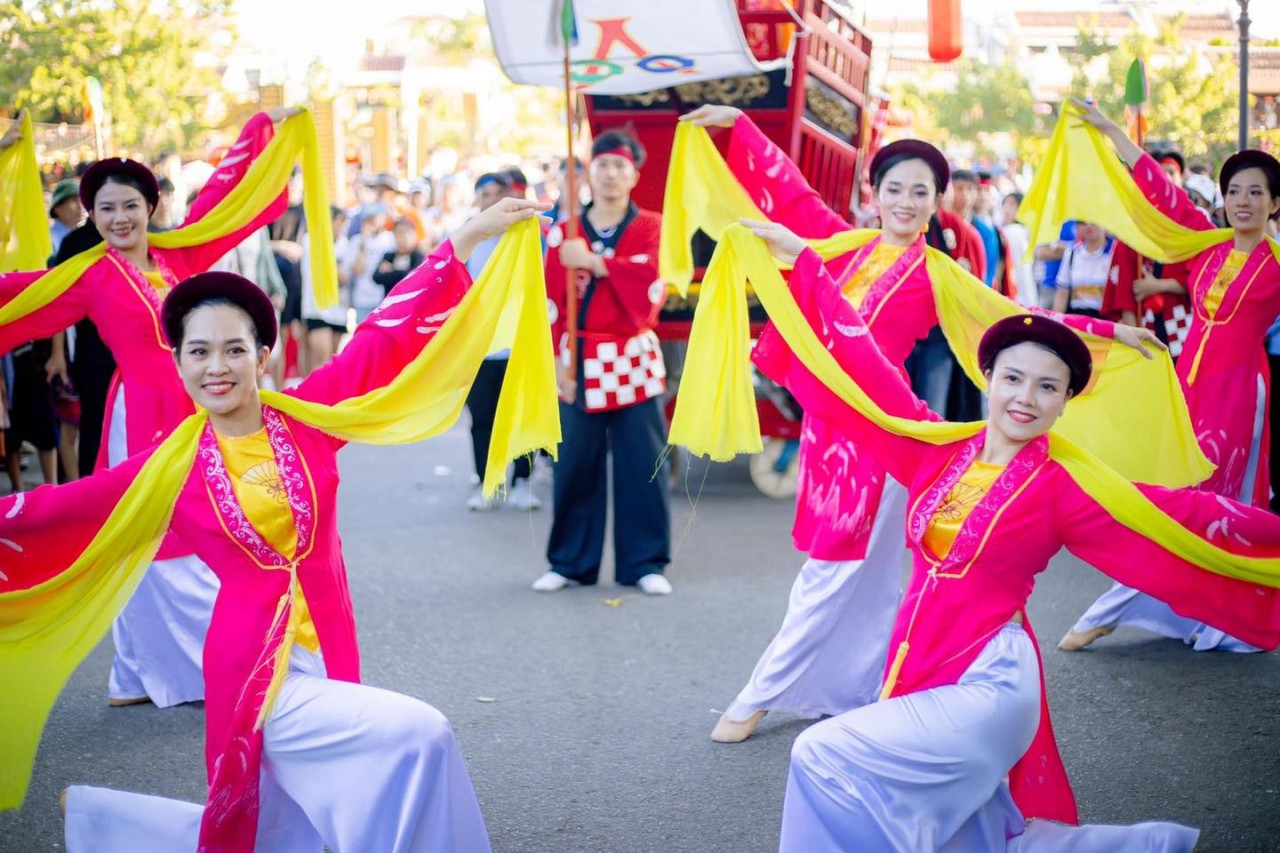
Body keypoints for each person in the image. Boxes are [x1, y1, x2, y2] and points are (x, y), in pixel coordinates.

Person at [1, 195, 548, 850]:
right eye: (198, 352)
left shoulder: (306, 418)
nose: (217, 367)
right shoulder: (168, 469)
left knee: (281, 832)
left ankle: (102, 823)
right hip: (257, 675)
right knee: (418, 735)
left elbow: (382, 339)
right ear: (178, 362)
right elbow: (58, 510)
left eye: (234, 349)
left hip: (329, 645)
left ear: (263, 354)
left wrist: (464, 238)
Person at [721, 219, 1280, 848]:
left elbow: (1183, 517)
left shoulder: (1064, 487)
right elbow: (865, 367)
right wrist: (805, 266)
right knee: (969, 836)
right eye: (1013, 378)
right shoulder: (935, 450)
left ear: (1066, 402)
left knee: (821, 753)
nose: (1026, 398)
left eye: (1048, 387)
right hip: (924, 665)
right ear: (989, 378)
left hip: (990, 681)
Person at [678, 104, 1164, 743]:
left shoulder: (937, 273)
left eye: (921, 192)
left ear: (938, 202)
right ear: (873, 195)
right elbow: (791, 194)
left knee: (836, 570)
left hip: (883, 432)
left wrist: (1110, 331)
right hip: (827, 432)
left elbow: (1013, 316)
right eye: (894, 189)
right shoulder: (842, 245)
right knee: (869, 571)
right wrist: (739, 125)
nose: (906, 202)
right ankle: (858, 690)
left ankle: (759, 696)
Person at [0, 106, 305, 707]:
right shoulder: (87, 276)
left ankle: (137, 672)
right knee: (157, 537)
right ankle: (176, 671)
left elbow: (223, 202)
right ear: (92, 215)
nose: (119, 218)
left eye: (129, 206)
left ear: (150, 209)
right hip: (139, 416)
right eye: (106, 208)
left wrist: (264, 128)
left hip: (201, 410)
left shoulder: (177, 257)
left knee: (208, 526)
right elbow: (18, 296)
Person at [1060, 100, 1280, 652]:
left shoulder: (1277, 262)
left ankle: (1130, 608)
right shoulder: (1202, 245)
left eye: (1256, 192)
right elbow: (1160, 191)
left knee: (1203, 500)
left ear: (1275, 204)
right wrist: (1110, 129)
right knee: (1168, 490)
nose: (1243, 202)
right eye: (1235, 192)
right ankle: (1168, 604)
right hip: (1187, 389)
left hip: (1236, 395)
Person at [534, 129, 672, 595]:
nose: (611, 174)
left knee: (642, 463)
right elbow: (549, 301)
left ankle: (645, 563)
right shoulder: (566, 230)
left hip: (631, 355)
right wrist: (555, 360)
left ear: (635, 174)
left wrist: (596, 263)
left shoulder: (652, 226)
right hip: (577, 359)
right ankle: (570, 562)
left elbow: (654, 283)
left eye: (620, 166)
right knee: (574, 463)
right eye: (602, 165)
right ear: (588, 172)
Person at [463, 172, 539, 511]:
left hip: (521, 342)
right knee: (483, 417)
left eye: (498, 193)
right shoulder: (468, 237)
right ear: (477, 200)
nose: (492, 200)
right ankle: (487, 481)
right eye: (485, 194)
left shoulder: (525, 232)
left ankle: (523, 480)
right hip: (482, 346)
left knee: (522, 415)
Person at [1051, 221, 1114, 317]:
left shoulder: (1113, 253)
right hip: (1076, 318)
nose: (1088, 225)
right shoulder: (1072, 253)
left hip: (1106, 319)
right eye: (1082, 222)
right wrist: (1055, 321)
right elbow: (1062, 293)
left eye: (1094, 220)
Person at [48, 178, 83, 254]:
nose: (80, 206)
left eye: (81, 200)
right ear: (57, 208)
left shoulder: (83, 236)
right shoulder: (49, 239)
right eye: (74, 200)